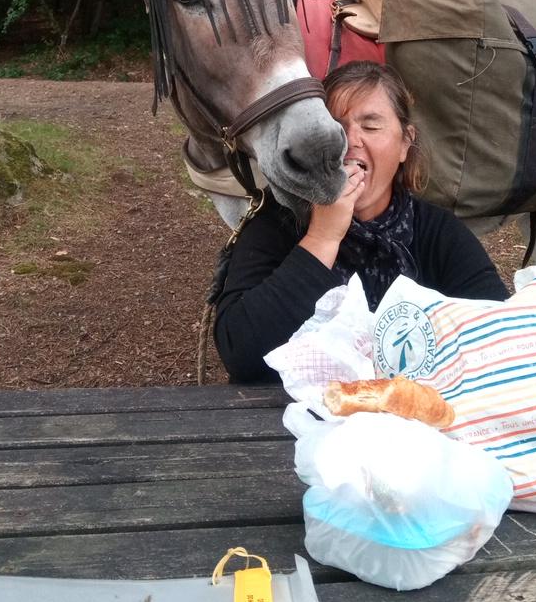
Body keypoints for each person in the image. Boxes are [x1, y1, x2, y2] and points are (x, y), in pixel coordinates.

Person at [214, 60, 509, 382]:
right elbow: (240, 354)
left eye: (370, 126)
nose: (351, 141)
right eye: (335, 128)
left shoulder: (437, 232)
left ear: (404, 143)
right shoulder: (277, 224)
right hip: (288, 421)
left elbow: (498, 338)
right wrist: (322, 239)